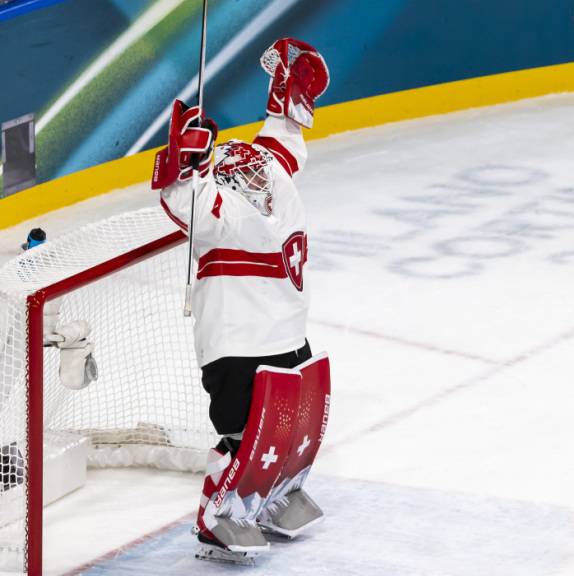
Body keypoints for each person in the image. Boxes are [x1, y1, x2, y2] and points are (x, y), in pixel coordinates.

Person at [151, 37, 329, 561]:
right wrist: (184, 162)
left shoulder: (267, 167)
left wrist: (288, 96)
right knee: (241, 434)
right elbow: (181, 196)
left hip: (288, 329)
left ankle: (270, 496)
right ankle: (215, 516)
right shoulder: (219, 205)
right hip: (238, 338)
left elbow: (284, 138)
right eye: (235, 166)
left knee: (291, 427)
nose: (252, 173)